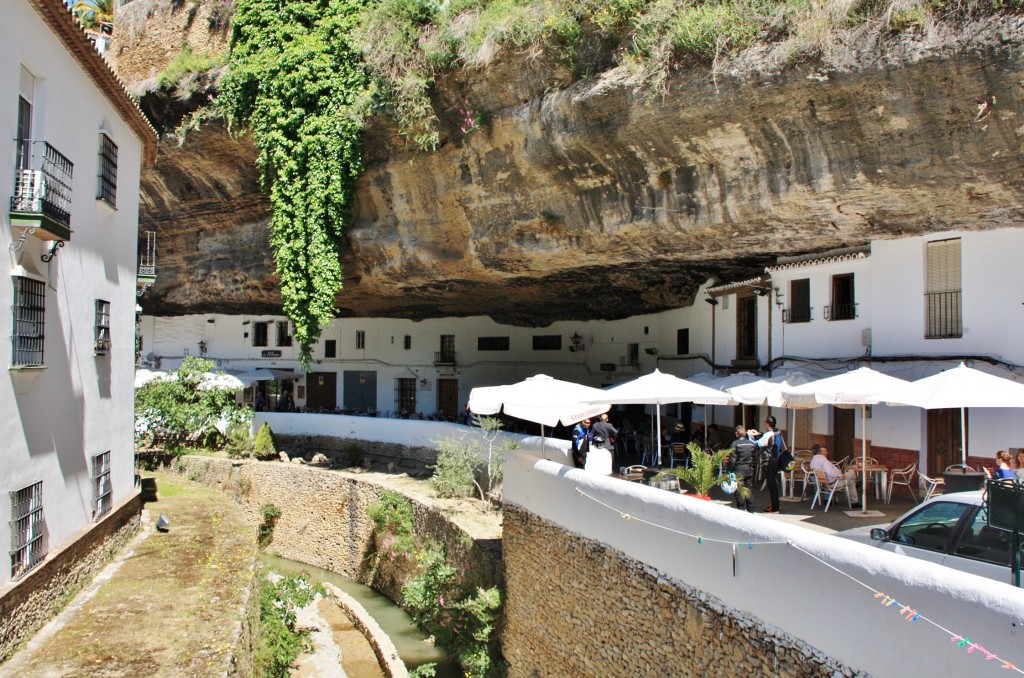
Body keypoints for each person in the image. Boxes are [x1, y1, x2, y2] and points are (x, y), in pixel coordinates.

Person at [750, 415, 787, 513]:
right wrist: (760, 434)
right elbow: (769, 437)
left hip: (769, 462)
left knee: (772, 486)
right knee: (773, 484)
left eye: (764, 422)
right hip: (777, 461)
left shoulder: (768, 435)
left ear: (767, 424)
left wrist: (750, 436)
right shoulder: (777, 432)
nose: (764, 424)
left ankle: (775, 508)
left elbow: (757, 444)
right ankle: (775, 505)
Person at [728, 425, 757, 512]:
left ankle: (741, 509)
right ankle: (751, 510)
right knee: (748, 490)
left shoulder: (735, 444)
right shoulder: (751, 444)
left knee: (739, 491)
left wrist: (729, 470)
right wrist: (753, 468)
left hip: (738, 470)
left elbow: (732, 459)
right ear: (744, 434)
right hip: (749, 470)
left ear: (736, 434)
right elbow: (755, 457)